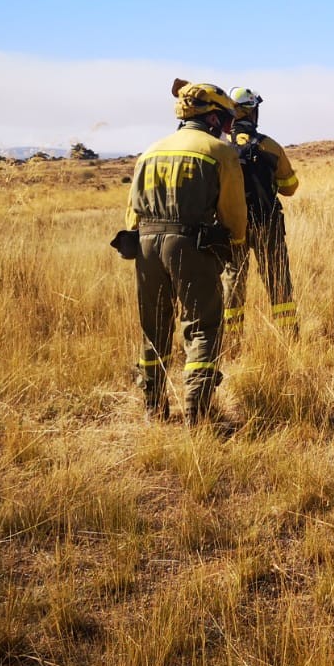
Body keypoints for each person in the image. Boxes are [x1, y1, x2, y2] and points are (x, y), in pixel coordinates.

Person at [125, 79, 247, 424]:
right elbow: (235, 216)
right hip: (191, 245)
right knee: (203, 326)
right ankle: (197, 411)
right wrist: (234, 245)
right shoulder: (219, 151)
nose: (228, 128)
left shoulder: (150, 151)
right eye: (227, 120)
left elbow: (131, 213)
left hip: (145, 245)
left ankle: (153, 408)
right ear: (213, 117)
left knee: (154, 327)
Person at [221, 87, 301, 340]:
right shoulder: (270, 146)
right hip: (267, 223)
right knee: (277, 276)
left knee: (233, 279)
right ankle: (289, 335)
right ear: (252, 112)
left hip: (232, 225)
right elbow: (290, 188)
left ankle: (232, 339)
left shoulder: (220, 147)